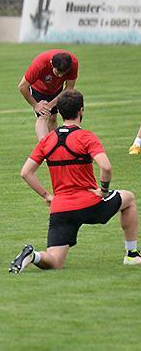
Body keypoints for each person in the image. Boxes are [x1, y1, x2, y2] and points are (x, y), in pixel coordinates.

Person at [9, 90, 140, 273]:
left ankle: (33, 255)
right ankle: (132, 255)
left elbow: (26, 173)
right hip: (90, 203)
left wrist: (47, 196)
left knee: (55, 261)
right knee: (129, 198)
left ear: (60, 112)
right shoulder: (86, 137)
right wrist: (103, 191)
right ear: (81, 110)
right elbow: (106, 167)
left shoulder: (47, 140)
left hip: (61, 208)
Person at [18, 49, 78, 141]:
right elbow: (22, 87)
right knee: (43, 115)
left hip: (57, 89)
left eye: (63, 73)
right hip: (38, 88)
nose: (60, 76)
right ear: (51, 64)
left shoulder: (73, 63)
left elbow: (69, 88)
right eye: (58, 72)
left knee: (53, 117)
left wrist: (50, 105)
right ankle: (44, 146)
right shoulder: (40, 63)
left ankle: (54, 144)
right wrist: (36, 105)